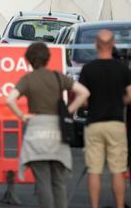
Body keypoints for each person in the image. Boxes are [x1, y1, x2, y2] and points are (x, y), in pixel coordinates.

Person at [6, 42, 89, 208]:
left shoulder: (27, 79)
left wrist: (22, 116)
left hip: (37, 132)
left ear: (29, 60)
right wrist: (69, 111)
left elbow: (9, 99)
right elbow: (84, 93)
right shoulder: (58, 77)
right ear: (48, 58)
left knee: (43, 182)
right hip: (58, 131)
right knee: (58, 183)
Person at [78, 30, 131, 208]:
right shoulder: (122, 68)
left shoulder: (88, 69)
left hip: (94, 123)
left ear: (96, 45)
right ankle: (120, 205)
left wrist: (92, 103)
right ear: (112, 46)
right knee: (117, 170)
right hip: (116, 123)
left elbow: (83, 100)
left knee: (94, 171)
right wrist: (120, 101)